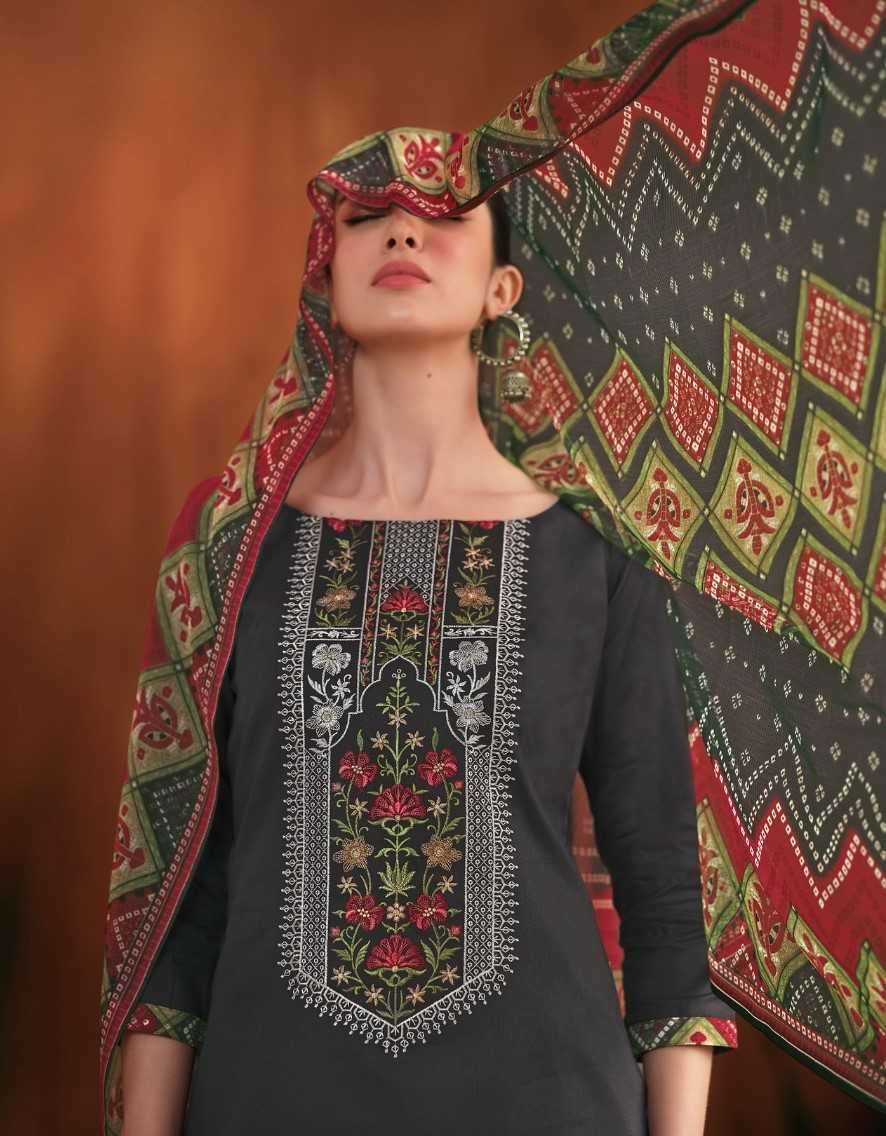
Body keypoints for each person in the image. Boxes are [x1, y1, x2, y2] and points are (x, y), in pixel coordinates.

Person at [100, 1, 885, 1132]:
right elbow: (182, 897)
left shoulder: (594, 550)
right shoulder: (233, 543)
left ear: (502, 290)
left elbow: (664, 891)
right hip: (271, 1101)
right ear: (324, 274)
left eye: (443, 216)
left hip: (549, 1099)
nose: (402, 235)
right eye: (368, 217)